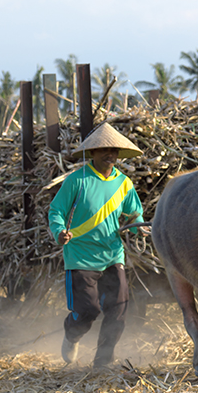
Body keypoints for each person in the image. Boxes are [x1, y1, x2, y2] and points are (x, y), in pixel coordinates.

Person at [48, 122, 146, 368]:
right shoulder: (77, 180)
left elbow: (135, 214)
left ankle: (103, 360)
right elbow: (56, 211)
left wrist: (141, 226)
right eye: (104, 150)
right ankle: (72, 334)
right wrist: (59, 232)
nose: (110, 155)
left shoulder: (124, 183)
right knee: (88, 310)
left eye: (114, 150)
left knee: (119, 308)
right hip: (80, 256)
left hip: (113, 254)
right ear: (92, 152)